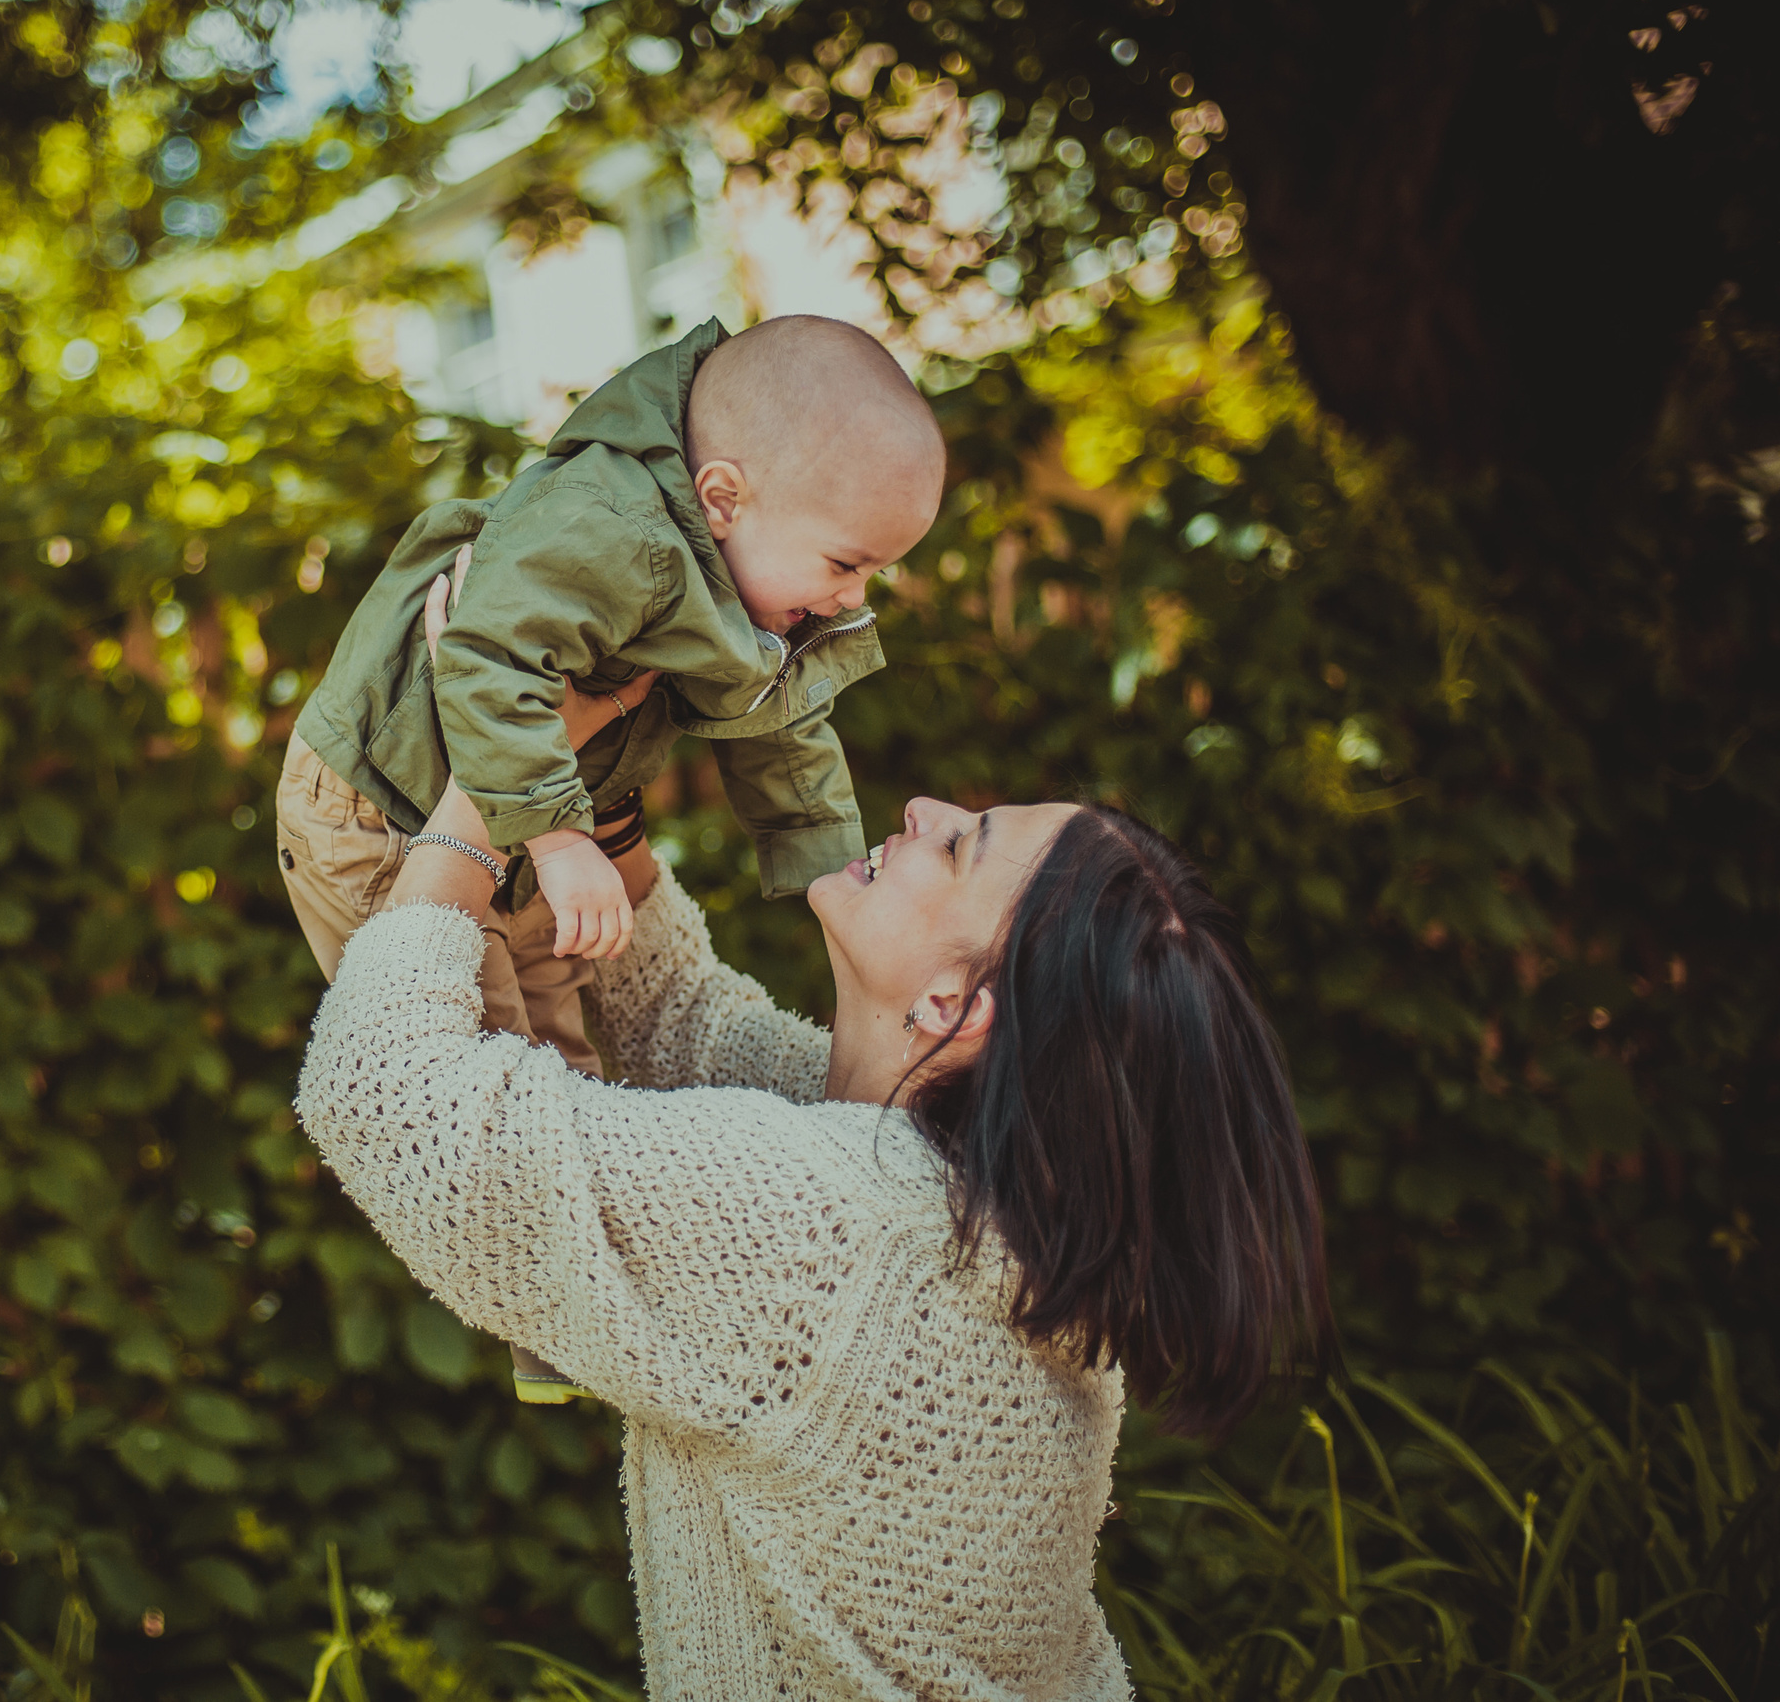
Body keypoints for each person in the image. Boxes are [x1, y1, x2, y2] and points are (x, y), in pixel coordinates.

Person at [293, 574, 1334, 1700]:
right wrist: (583, 779)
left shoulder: (840, 1229)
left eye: (960, 849)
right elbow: (685, 1025)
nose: (926, 812)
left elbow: (384, 1091)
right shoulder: (960, 1194)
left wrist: (483, 785)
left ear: (952, 1007)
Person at [280, 315, 946, 1400]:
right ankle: (558, 1307)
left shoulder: (732, 568)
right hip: (380, 800)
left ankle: (573, 1312)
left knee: (560, 1033)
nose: (854, 596)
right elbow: (484, 659)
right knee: (481, 1049)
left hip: (527, 801)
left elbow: (782, 718)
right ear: (722, 496)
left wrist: (829, 867)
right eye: (846, 562)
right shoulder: (605, 529)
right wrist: (559, 835)